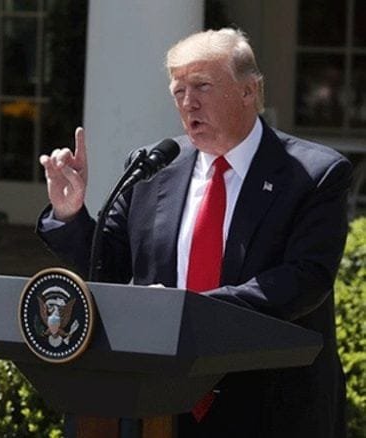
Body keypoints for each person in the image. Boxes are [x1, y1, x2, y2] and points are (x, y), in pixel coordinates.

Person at [37, 28, 349, 437]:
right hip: (162, 404)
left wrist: (187, 310)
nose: (188, 103)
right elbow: (107, 267)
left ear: (249, 91)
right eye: (178, 91)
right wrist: (70, 214)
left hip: (271, 404)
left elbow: (304, 281)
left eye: (202, 86)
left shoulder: (314, 174)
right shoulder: (153, 168)